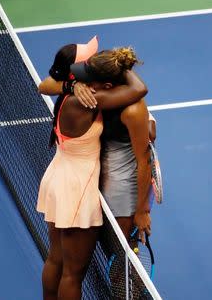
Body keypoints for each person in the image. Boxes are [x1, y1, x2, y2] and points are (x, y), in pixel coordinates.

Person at [37, 37, 148, 300]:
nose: (87, 64)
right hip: (77, 190)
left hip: (56, 178)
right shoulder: (91, 99)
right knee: (73, 275)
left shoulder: (67, 92)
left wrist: (72, 83)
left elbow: (46, 84)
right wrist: (122, 65)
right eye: (84, 64)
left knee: (55, 260)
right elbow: (139, 89)